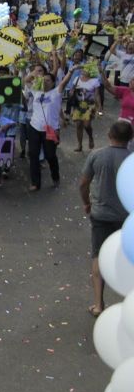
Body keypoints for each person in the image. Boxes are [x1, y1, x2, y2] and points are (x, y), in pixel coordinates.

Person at [79, 121, 133, 317]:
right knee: (127, 259)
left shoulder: (97, 156)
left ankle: (98, 304)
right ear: (131, 138)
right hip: (126, 217)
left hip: (101, 215)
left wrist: (86, 203)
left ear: (109, 134)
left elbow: (84, 184)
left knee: (98, 257)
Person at [25, 68, 72, 191]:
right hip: (34, 127)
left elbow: (64, 83)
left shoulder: (56, 92)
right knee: (33, 155)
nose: (45, 82)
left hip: (50, 130)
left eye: (48, 80)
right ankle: (36, 183)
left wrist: (71, 71)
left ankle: (55, 177)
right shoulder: (36, 91)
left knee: (50, 155)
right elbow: (26, 80)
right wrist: (35, 73)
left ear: (53, 83)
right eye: (43, 80)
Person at [71, 67, 101, 152]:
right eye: (84, 69)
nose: (85, 71)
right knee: (78, 125)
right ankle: (79, 145)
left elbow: (97, 94)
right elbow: (72, 89)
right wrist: (71, 92)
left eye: (88, 69)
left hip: (89, 106)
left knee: (87, 125)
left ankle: (90, 137)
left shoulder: (95, 81)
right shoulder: (77, 78)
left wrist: (99, 106)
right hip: (78, 105)